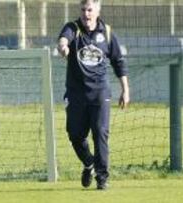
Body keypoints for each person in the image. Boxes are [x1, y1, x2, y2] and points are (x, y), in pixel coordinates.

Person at [57, 0, 129, 190]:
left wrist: (125, 90)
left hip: (100, 93)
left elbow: (118, 62)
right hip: (76, 94)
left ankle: (102, 178)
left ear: (97, 10)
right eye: (83, 9)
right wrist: (63, 47)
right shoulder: (73, 28)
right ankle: (89, 163)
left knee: (100, 133)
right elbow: (64, 39)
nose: (86, 14)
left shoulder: (107, 33)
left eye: (89, 10)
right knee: (75, 135)